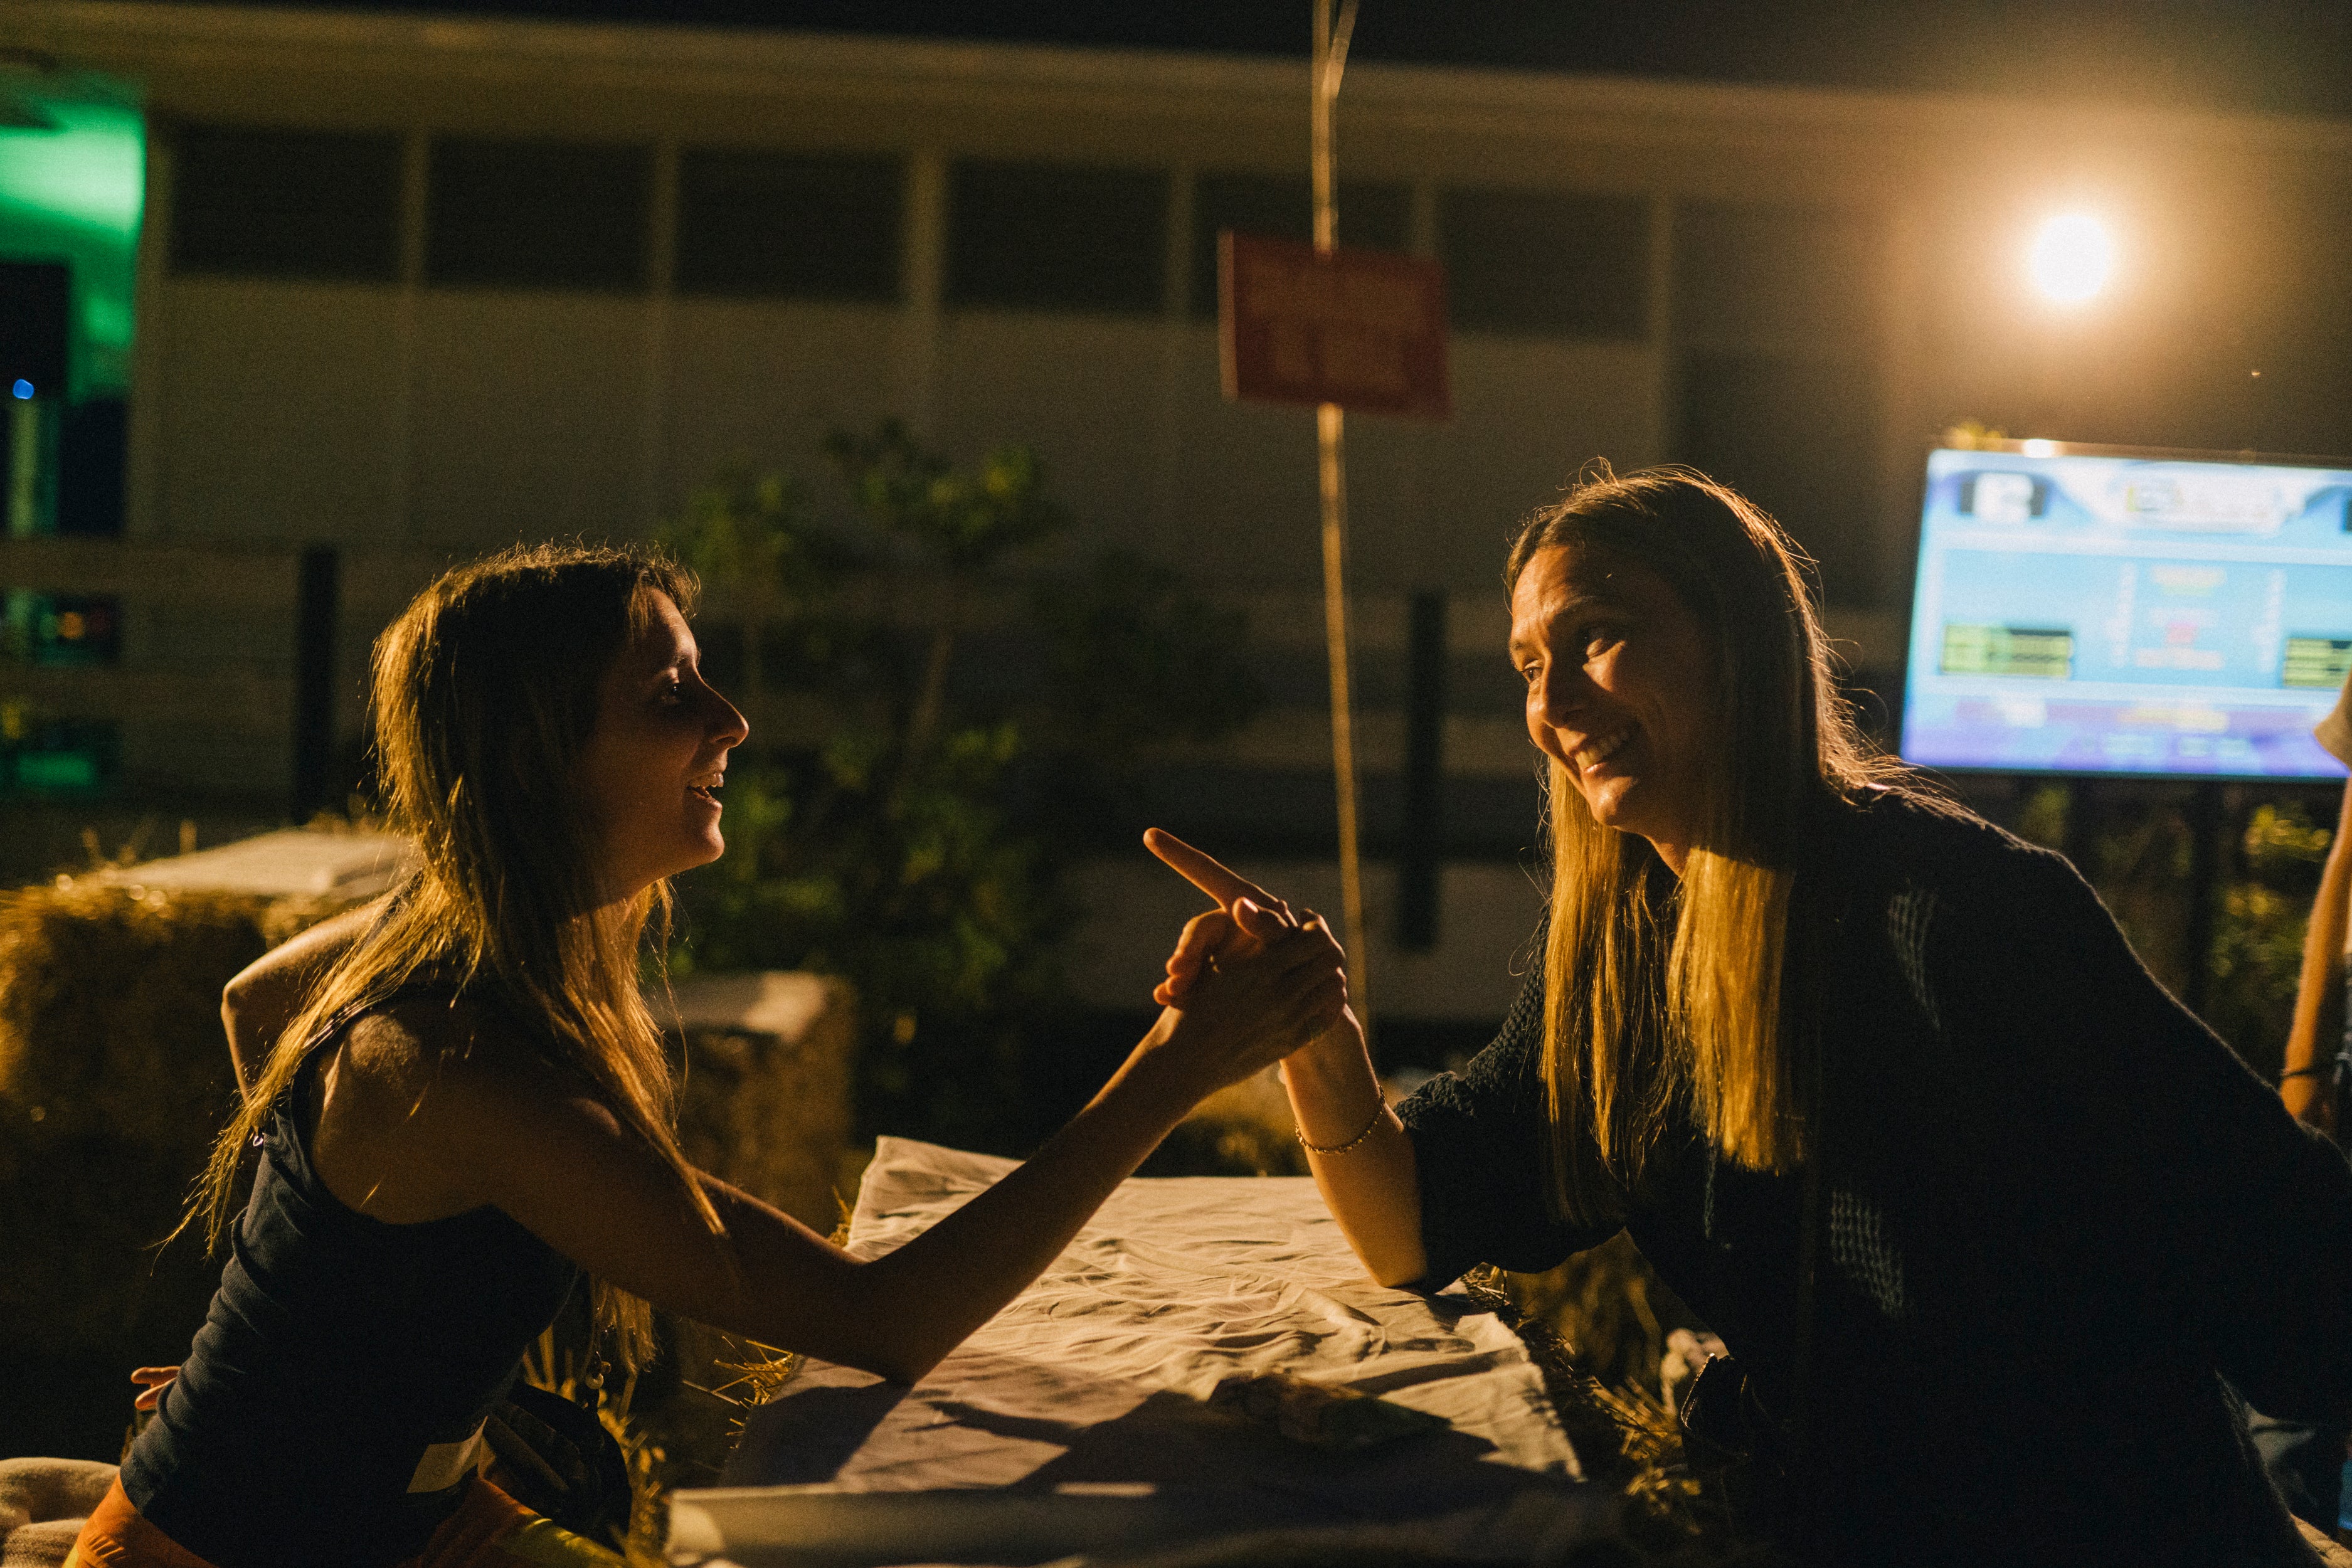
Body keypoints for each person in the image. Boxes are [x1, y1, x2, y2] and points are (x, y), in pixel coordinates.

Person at [1148, 467, 2352, 1566]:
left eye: (1597, 638)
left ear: (1739, 646)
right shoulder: (1629, 952)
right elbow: (1411, 1228)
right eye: (1527, 664)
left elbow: (2293, 1273)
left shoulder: (1961, 914)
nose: (1553, 701)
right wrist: (1312, 1025)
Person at [78, 543, 1346, 1568]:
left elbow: (260, 1003)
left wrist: (295, 1347)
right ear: (537, 760)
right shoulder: (464, 1068)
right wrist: (1180, 1065)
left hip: (404, 1522)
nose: (732, 721)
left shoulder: (476, 948)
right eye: (671, 696)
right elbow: (881, 1319)